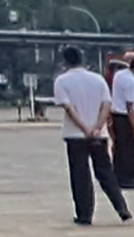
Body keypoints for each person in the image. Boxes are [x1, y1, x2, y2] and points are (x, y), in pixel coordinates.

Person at [52, 45, 129, 227]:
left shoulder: (62, 81)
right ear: (82, 59)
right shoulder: (98, 80)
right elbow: (106, 105)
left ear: (65, 61)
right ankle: (121, 208)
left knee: (81, 176)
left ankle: (85, 215)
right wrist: (97, 127)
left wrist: (85, 128)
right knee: (106, 172)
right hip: (99, 134)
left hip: (75, 135)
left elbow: (69, 109)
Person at [108, 53, 134, 186]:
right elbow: (130, 106)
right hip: (125, 117)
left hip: (116, 115)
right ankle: (127, 179)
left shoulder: (120, 74)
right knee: (128, 149)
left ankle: (117, 176)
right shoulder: (131, 82)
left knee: (119, 148)